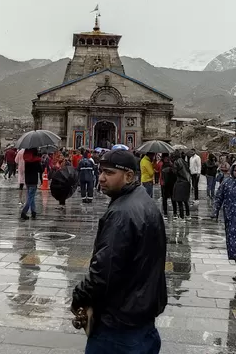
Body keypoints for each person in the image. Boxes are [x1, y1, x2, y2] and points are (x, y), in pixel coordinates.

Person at [71, 149, 166, 354]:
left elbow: (104, 272)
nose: (101, 178)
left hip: (117, 326)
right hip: (142, 317)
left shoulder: (122, 213)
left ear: (129, 176)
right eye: (101, 171)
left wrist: (79, 296)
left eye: (109, 173)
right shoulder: (145, 201)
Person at [20, 148, 42, 220]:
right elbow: (40, 170)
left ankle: (33, 212)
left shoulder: (27, 160)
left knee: (31, 197)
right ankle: (24, 212)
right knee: (30, 198)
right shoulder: (36, 161)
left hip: (28, 181)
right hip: (33, 181)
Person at [172, 153, 192, 221]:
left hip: (180, 182)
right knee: (185, 200)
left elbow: (175, 172)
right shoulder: (184, 162)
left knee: (179, 200)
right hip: (187, 182)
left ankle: (181, 216)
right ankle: (188, 215)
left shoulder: (176, 162)